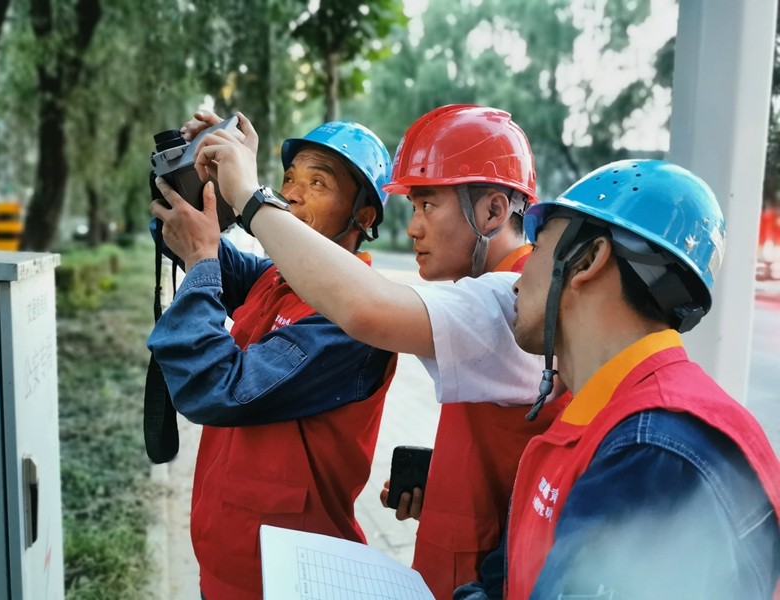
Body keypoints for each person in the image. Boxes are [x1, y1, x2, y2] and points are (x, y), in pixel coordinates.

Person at [189, 105, 568, 598]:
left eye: (427, 205)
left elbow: (363, 308)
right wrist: (454, 478)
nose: (412, 228)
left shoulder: (509, 299)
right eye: (412, 207)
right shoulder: (499, 294)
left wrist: (247, 197)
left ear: (494, 212)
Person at [459, 159, 780, 599]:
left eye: (536, 248)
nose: (516, 284)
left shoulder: (654, 455)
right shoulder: (616, 423)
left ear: (588, 258)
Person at [147, 117, 398, 599]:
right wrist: (198, 175)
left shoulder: (359, 317)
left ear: (364, 217)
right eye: (289, 179)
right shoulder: (275, 277)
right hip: (225, 560)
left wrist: (202, 262)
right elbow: (185, 236)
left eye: (318, 182)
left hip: (294, 578)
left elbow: (219, 388)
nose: (294, 193)